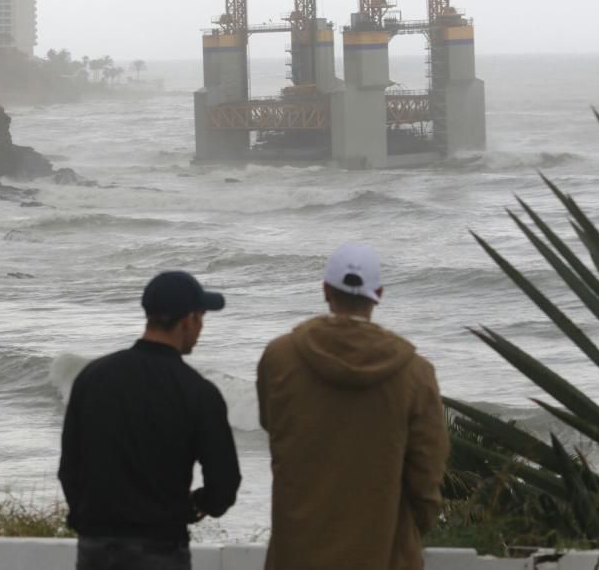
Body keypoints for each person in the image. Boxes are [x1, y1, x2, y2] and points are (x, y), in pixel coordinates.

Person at [257, 243, 449, 570]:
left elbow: (272, 425)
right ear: (379, 293)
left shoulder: (279, 357)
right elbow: (427, 471)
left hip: (297, 552)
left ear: (326, 290)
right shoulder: (415, 373)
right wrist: (417, 523)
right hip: (384, 553)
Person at [59, 271, 241, 570]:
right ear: (190, 319)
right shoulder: (198, 392)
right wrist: (195, 506)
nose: (201, 328)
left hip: (97, 548)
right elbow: (224, 485)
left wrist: (88, 520)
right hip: (162, 549)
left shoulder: (92, 378)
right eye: (202, 317)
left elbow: (70, 468)